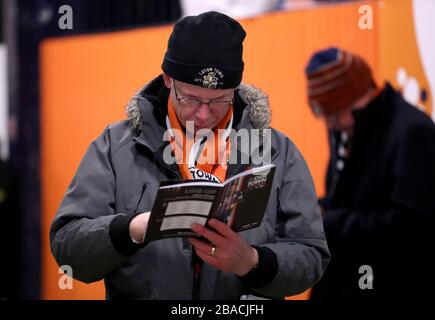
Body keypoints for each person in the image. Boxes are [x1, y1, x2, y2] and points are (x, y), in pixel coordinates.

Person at [50, 11, 330, 300]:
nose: (204, 114)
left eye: (220, 100)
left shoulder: (278, 152)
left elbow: (311, 255)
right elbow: (68, 249)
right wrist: (132, 230)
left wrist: (253, 262)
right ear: (168, 80)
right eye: (191, 98)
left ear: (235, 90)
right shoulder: (116, 146)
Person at [305, 47, 435, 301]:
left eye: (332, 113)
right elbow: (347, 198)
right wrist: (309, 210)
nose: (329, 123)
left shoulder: (412, 132)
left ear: (356, 98)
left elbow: (412, 226)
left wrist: (327, 221)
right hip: (344, 280)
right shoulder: (347, 127)